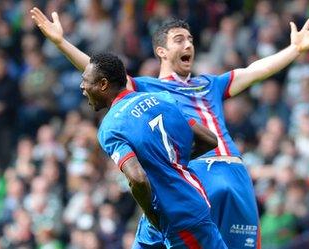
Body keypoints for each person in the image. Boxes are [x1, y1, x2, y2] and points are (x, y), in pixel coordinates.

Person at [30, 7, 309, 248]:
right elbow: (102, 76)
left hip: (230, 173)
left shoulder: (208, 84)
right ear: (161, 51)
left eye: (191, 40)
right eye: (179, 39)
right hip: (197, 174)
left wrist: (294, 50)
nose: (188, 44)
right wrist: (61, 42)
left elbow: (253, 72)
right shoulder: (148, 91)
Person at [82, 52, 226, 248]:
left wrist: (152, 214)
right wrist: (170, 161)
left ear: (103, 84)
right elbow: (209, 140)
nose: (82, 87)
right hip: (177, 207)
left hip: (178, 217)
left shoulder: (111, 127)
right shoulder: (163, 99)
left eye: (86, 81)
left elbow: (138, 178)